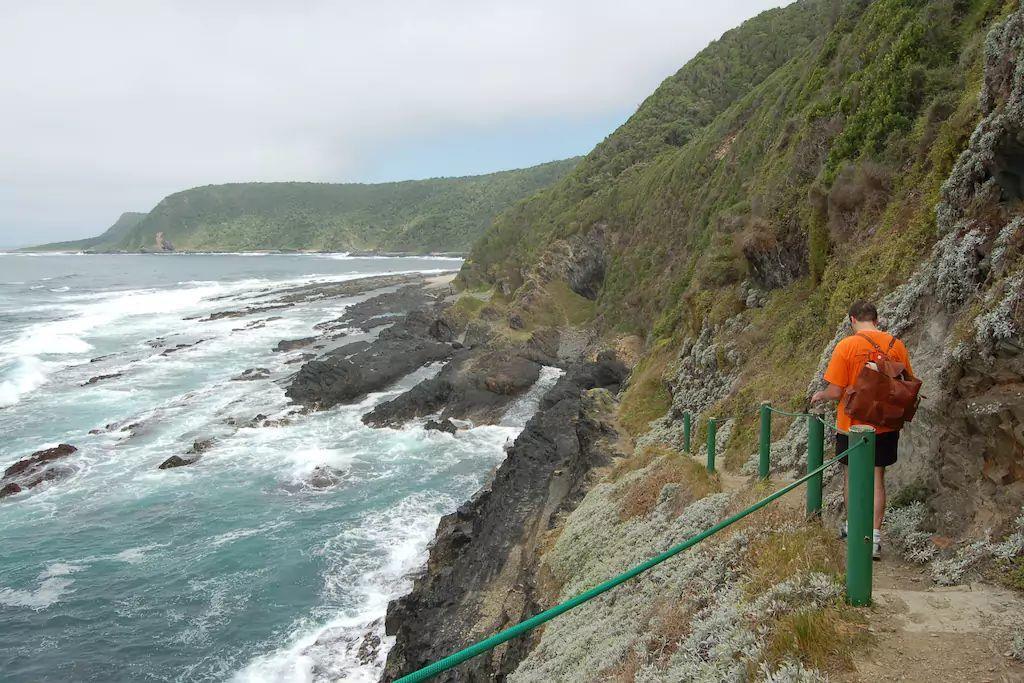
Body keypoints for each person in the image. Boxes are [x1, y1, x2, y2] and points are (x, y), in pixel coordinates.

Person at [810, 300, 914, 560]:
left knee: (852, 477)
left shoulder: (847, 345)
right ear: (876, 320)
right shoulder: (896, 345)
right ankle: (875, 537)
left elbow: (835, 391)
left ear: (852, 320)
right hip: (885, 425)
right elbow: (908, 383)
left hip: (852, 426)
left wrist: (820, 395)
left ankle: (855, 529)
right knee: (878, 478)